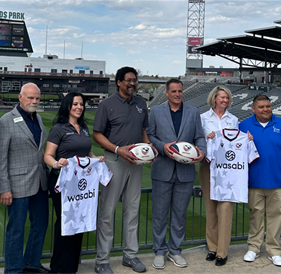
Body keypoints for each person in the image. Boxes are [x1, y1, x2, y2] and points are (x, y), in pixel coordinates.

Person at [93, 66, 151, 274]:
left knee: (132, 210)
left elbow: (143, 130)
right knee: (107, 212)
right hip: (114, 161)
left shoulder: (141, 103)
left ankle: (130, 256)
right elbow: (97, 134)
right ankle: (102, 260)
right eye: (128, 80)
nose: (132, 83)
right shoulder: (107, 104)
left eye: (134, 80)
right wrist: (118, 149)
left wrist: (148, 148)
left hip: (135, 164)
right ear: (118, 82)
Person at [147, 78, 206, 270]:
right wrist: (162, 147)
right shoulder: (155, 111)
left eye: (180, 91)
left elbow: (199, 136)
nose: (177, 94)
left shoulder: (193, 112)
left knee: (180, 215)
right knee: (160, 214)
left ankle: (175, 250)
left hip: (185, 172)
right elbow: (151, 136)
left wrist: (202, 152)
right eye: (173, 91)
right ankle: (159, 251)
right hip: (162, 169)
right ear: (166, 92)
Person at [44, 92, 104, 274]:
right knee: (65, 222)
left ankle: (72, 265)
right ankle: (59, 267)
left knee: (78, 222)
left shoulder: (84, 128)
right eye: (75, 104)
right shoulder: (59, 128)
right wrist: (56, 163)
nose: (79, 107)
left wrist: (96, 159)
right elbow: (47, 155)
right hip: (62, 182)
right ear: (67, 106)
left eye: (81, 104)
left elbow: (86, 152)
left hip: (80, 183)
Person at [239, 95, 281, 267]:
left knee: (276, 218)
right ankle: (253, 248)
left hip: (280, 182)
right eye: (261, 107)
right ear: (253, 109)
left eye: (268, 106)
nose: (265, 109)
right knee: (255, 216)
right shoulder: (244, 125)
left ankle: (274, 251)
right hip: (254, 181)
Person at [0, 83, 49, 274]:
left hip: (40, 183)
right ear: (20, 97)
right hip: (16, 185)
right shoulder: (5, 122)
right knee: (16, 230)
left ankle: (31, 264)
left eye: (37, 98)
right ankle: (13, 270)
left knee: (40, 225)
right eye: (30, 98)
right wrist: (3, 187)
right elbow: (0, 158)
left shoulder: (39, 119)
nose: (34, 101)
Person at [198, 86, 239, 266]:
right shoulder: (202, 118)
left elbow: (237, 142)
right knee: (211, 208)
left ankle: (223, 251)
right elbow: (197, 141)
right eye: (222, 97)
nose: (225, 100)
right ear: (214, 98)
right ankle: (212, 248)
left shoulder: (234, 119)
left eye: (227, 98)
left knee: (225, 209)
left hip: (228, 168)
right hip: (208, 166)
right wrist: (208, 137)